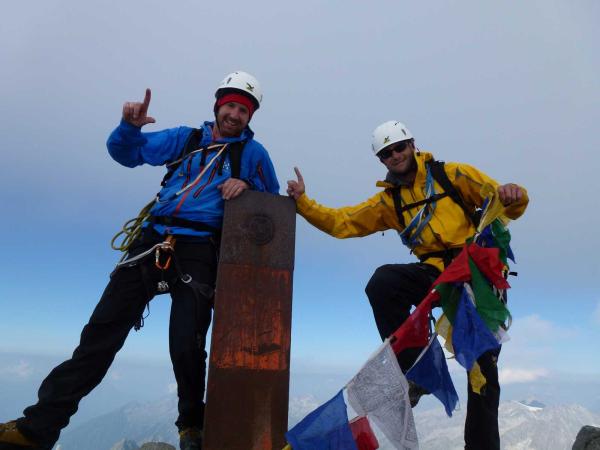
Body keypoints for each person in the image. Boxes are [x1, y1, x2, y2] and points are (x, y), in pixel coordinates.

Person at [0, 71, 279, 450]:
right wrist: (129, 129)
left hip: (200, 248)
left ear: (250, 117)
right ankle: (36, 430)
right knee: (99, 336)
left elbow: (271, 199)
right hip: (153, 239)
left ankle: (191, 427)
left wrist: (247, 184)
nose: (235, 115)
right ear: (218, 106)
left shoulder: (253, 154)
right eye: (230, 105)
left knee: (187, 344)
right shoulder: (186, 138)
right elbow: (128, 154)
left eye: (244, 110)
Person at [286, 120, 528, 450]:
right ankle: (414, 368)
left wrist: (516, 194)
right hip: (435, 274)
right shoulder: (390, 201)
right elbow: (344, 222)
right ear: (381, 160)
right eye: (386, 153)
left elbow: (502, 199)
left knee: (482, 370)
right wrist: (303, 203)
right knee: (383, 282)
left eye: (399, 147)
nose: (395, 155)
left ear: (413, 145)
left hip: (476, 276)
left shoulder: (453, 175)